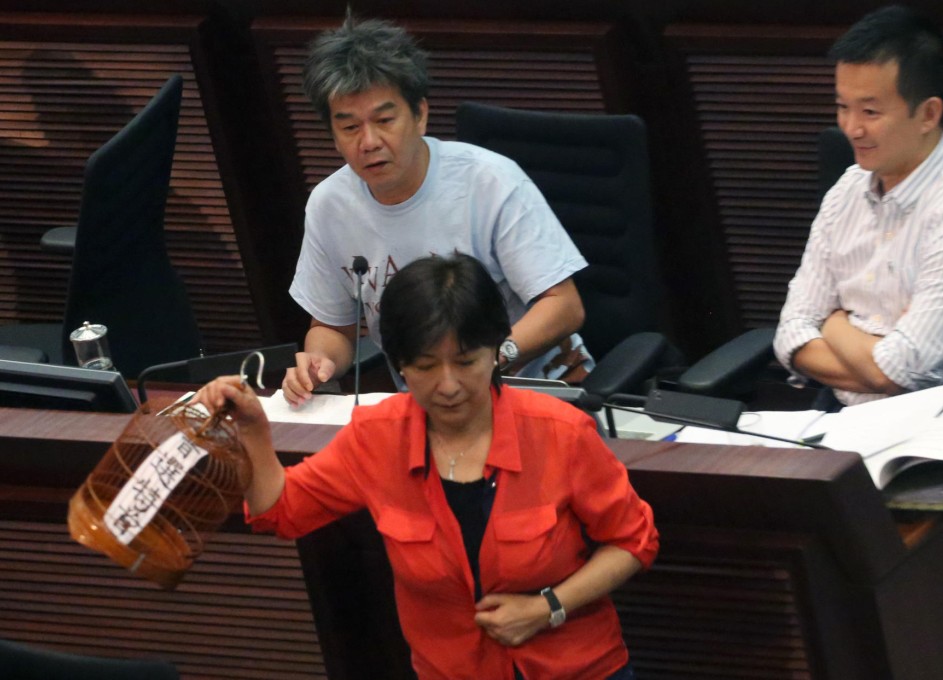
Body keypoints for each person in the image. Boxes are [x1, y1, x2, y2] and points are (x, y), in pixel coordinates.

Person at [195, 253, 659, 679]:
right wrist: (254, 431)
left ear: (496, 351)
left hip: (578, 670)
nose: (449, 385)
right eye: (425, 366)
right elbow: (281, 510)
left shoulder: (560, 432)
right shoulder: (376, 438)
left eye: (466, 361)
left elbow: (633, 541)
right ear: (399, 364)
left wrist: (548, 607)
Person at [283, 14, 592, 405]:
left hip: (538, 390)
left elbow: (564, 306)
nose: (369, 141)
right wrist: (319, 362)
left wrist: (488, 361)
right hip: (435, 408)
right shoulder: (330, 205)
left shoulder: (490, 181)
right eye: (349, 128)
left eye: (384, 120)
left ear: (420, 115)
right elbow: (333, 328)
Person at [774, 4, 943, 408]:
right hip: (839, 419)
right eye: (842, 107)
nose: (851, 128)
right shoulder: (846, 192)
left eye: (870, 111)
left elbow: (896, 372)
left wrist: (833, 323)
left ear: (927, 114)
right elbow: (790, 334)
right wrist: (868, 351)